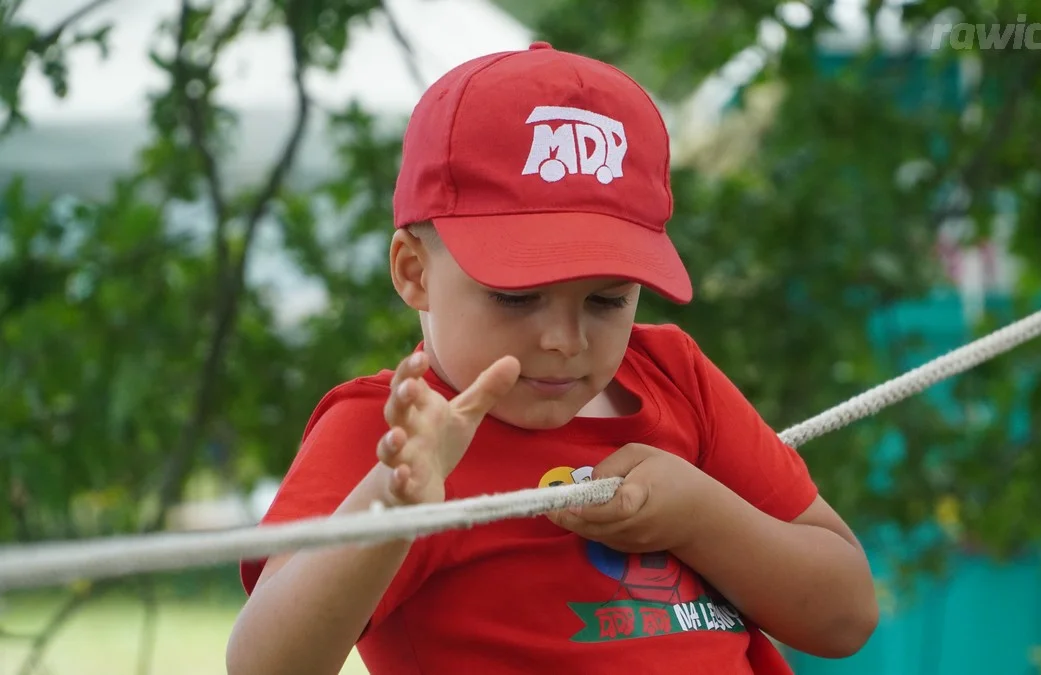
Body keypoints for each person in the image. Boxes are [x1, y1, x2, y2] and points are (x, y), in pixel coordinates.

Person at [227, 41, 878, 675]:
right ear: (413, 271)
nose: (565, 339)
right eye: (516, 297)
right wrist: (391, 506)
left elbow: (845, 614)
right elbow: (263, 666)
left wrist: (699, 514)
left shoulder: (676, 377)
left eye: (606, 299)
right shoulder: (392, 436)